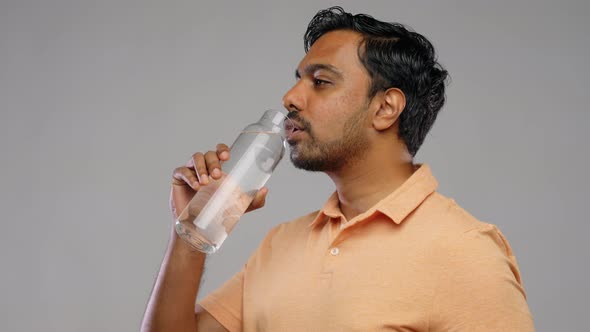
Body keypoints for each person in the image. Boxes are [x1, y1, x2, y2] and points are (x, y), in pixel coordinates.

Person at [141, 7, 535, 331]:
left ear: (385, 108)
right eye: (299, 80)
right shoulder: (281, 244)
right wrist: (191, 231)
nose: (291, 97)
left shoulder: (465, 251)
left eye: (321, 82)